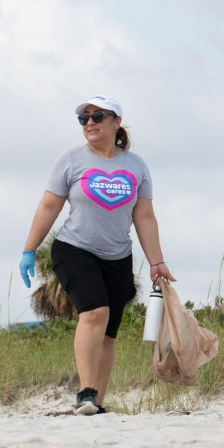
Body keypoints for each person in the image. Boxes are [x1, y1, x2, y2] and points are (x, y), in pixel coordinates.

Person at [18, 95, 175, 415]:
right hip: (74, 249)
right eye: (84, 118)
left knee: (108, 331)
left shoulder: (135, 165)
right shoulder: (70, 159)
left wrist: (157, 261)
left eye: (98, 116)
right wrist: (29, 250)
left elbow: (144, 216)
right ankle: (85, 392)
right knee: (94, 312)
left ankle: (95, 404)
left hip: (118, 257)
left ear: (116, 122)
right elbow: (49, 205)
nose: (90, 123)